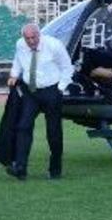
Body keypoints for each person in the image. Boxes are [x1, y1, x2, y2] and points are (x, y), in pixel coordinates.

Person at [6, 23, 74, 180]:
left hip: (51, 91)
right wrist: (14, 74)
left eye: (33, 37)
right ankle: (20, 168)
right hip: (31, 92)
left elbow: (67, 68)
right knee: (23, 126)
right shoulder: (20, 44)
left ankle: (55, 169)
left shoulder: (54, 45)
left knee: (53, 131)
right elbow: (17, 60)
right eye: (27, 38)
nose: (30, 41)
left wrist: (60, 89)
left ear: (39, 34)